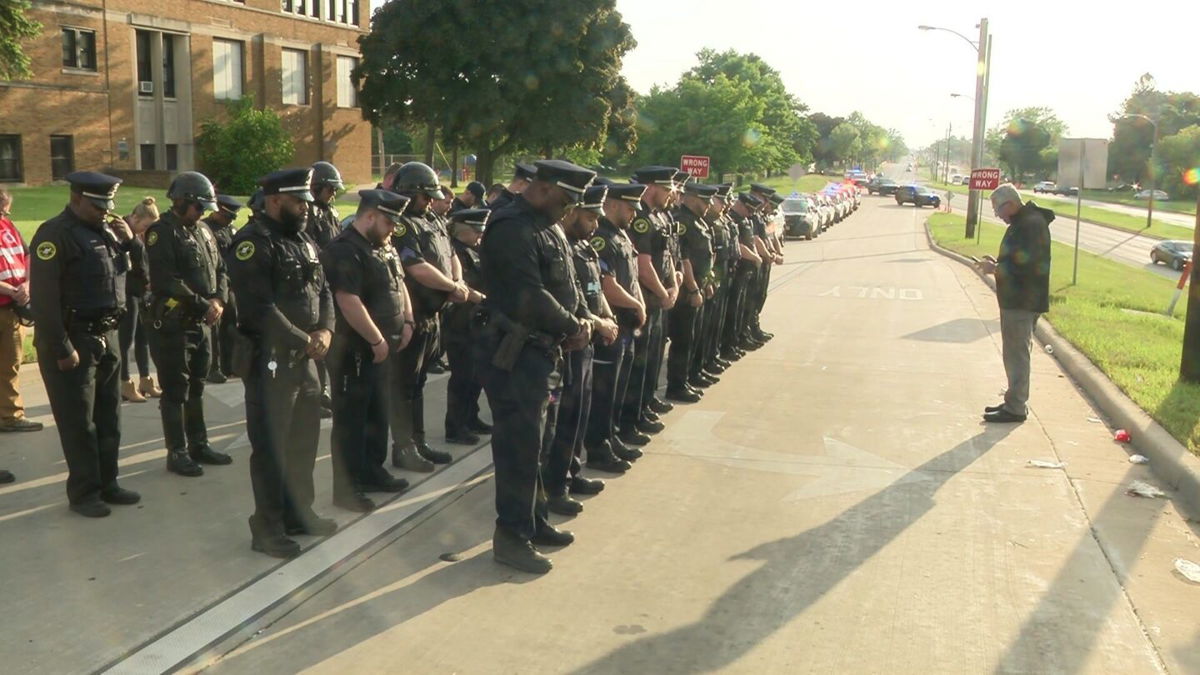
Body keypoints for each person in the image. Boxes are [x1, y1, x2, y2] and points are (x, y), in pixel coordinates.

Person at [477, 159, 596, 574]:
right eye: (565, 199)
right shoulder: (512, 227)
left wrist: (582, 318)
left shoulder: (549, 226)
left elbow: (569, 283)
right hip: (516, 354)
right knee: (518, 449)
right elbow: (530, 294)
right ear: (544, 189)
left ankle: (534, 520)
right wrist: (572, 324)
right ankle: (511, 536)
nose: (569, 209)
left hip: (545, 352)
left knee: (540, 444)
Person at [226, 168, 337, 557]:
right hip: (272, 361)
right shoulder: (253, 244)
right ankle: (267, 527)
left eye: (306, 199)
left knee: (303, 440)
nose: (306, 206)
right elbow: (259, 308)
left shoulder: (304, 240)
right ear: (274, 200)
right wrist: (304, 339)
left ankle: (298, 512)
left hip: (306, 358)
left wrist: (325, 330)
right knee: (272, 448)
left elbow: (323, 290)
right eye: (298, 200)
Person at [29, 171, 141, 517]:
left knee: (110, 419)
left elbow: (138, 282)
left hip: (107, 336)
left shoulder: (109, 233)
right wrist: (61, 347)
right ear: (77, 198)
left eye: (108, 205)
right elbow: (44, 299)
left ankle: (108, 482)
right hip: (73, 339)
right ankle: (84, 492)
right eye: (97, 206)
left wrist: (132, 243)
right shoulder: (54, 235)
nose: (105, 212)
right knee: (80, 424)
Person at [321, 189, 414, 513]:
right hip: (356, 350)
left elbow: (399, 282)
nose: (392, 229)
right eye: (388, 221)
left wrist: (409, 321)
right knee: (351, 420)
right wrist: (376, 339)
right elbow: (348, 299)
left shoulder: (382, 245)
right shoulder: (345, 250)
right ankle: (347, 489)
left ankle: (373, 471)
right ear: (370, 215)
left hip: (384, 346)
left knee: (377, 414)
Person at [144, 171, 231, 478]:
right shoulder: (161, 232)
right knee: (175, 391)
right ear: (181, 201)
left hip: (203, 322)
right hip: (175, 324)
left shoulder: (204, 230)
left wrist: (218, 300)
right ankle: (177, 451)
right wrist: (202, 304)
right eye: (198, 207)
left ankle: (199, 443)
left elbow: (221, 269)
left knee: (197, 386)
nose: (203, 213)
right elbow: (166, 279)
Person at [387, 162, 470, 472]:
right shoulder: (402, 224)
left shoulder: (432, 219)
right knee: (404, 386)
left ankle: (418, 441)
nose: (429, 202)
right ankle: (403, 447)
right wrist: (451, 287)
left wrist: (457, 282)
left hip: (435, 314)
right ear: (409, 193)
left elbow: (450, 255)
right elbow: (414, 266)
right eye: (425, 197)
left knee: (418, 383)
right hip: (415, 314)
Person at [542, 185, 618, 516]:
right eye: (589, 218)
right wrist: (596, 323)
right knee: (561, 421)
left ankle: (571, 474)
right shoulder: (561, 248)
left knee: (580, 415)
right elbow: (564, 301)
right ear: (571, 212)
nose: (595, 225)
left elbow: (592, 289)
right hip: (568, 343)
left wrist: (607, 317)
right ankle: (554, 487)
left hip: (587, 342)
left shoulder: (583, 248)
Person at [584, 178, 648, 474]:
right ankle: (598, 447)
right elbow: (606, 285)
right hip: (613, 325)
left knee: (618, 387)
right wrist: (635, 305)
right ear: (610, 204)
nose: (634, 213)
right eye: (629, 207)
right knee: (604, 391)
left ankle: (611, 437)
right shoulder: (602, 238)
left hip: (626, 326)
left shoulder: (622, 235)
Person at [975, 184, 1053, 424]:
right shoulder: (1025, 222)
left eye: (998, 209)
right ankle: (1013, 400)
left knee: (1016, 354)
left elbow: (1026, 266)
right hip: (1019, 298)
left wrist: (996, 269)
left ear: (1010, 203)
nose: (998, 215)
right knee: (1016, 353)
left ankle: (1016, 407)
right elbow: (1019, 258)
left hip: (1022, 300)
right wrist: (998, 261)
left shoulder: (1029, 225)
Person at [619, 166, 678, 449]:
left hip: (657, 299)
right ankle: (629, 420)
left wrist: (674, 286)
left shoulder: (657, 215)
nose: (671, 195)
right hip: (645, 301)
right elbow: (644, 267)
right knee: (637, 366)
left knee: (651, 359)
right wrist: (661, 292)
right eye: (667, 190)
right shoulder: (640, 218)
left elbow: (667, 257)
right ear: (652, 187)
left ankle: (643, 407)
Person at [442, 207, 491, 445]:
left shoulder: (476, 250)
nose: (480, 236)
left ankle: (471, 417)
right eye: (476, 232)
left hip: (477, 321)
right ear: (464, 231)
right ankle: (456, 425)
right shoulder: (455, 251)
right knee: (462, 377)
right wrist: (483, 299)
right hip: (460, 322)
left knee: (475, 376)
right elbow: (459, 285)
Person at [666, 182, 718, 402]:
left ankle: (688, 377)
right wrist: (693, 288)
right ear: (691, 197)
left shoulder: (698, 221)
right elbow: (684, 259)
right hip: (688, 292)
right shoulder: (682, 221)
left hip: (698, 287)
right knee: (683, 340)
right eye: (705, 201)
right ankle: (677, 385)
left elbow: (705, 256)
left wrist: (706, 282)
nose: (709, 205)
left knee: (693, 337)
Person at [0, 187, 41, 432]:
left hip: (13, 308)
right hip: (6, 300)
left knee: (10, 364)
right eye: (3, 207)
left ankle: (11, 415)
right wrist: (7, 289)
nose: (6, 212)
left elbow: (28, 256)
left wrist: (26, 284)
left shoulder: (8, 226)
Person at [307, 161, 345, 417]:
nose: (332, 194)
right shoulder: (307, 213)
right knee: (319, 336)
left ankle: (327, 389)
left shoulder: (331, 213)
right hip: (317, 280)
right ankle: (317, 393)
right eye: (329, 189)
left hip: (335, 283)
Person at [118, 197, 158, 403]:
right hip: (127, 290)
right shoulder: (120, 232)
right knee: (126, 339)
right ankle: (125, 382)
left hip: (142, 290)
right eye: (144, 226)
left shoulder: (142, 236)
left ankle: (146, 379)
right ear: (134, 217)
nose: (146, 231)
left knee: (144, 337)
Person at [202, 194, 244, 383]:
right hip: (214, 287)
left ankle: (229, 366)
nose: (229, 220)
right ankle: (213, 367)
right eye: (227, 216)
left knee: (230, 325)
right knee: (215, 329)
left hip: (230, 285)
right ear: (218, 210)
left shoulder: (231, 229)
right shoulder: (206, 228)